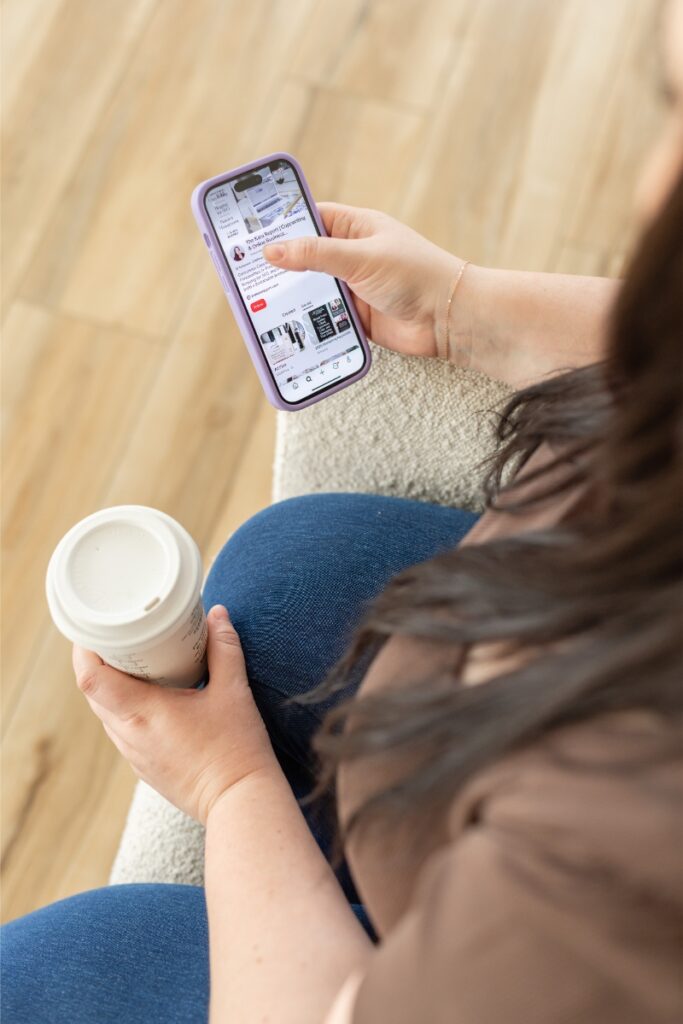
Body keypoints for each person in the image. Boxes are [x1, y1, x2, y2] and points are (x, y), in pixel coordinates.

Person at [3, 2, 682, 1020]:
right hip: (530, 693)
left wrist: (229, 790)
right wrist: (462, 302)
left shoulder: (605, 860)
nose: (653, 173)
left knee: (59, 966)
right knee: (284, 572)